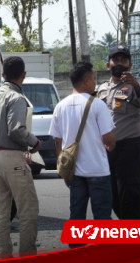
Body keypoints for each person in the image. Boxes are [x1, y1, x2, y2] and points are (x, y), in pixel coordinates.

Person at [0, 56, 42, 257]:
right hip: (11, 157)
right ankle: (27, 258)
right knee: (28, 210)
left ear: (3, 74)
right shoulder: (16, 98)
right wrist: (34, 142)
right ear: (23, 76)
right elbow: (16, 131)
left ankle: (3, 259)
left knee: (0, 213)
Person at [49, 62, 116, 226]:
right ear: (86, 81)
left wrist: (64, 169)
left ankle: (75, 247)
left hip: (74, 172)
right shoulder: (98, 105)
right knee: (102, 218)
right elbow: (108, 138)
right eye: (94, 78)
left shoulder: (60, 106)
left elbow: (58, 142)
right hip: (98, 171)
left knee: (76, 216)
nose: (95, 82)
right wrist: (111, 145)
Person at [97, 45, 140, 220]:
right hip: (107, 151)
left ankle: (133, 239)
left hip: (129, 148)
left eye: (124, 60)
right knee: (111, 194)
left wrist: (135, 84)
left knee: (130, 195)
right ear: (108, 64)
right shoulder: (102, 88)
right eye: (116, 59)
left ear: (129, 64)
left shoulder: (135, 86)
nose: (119, 63)